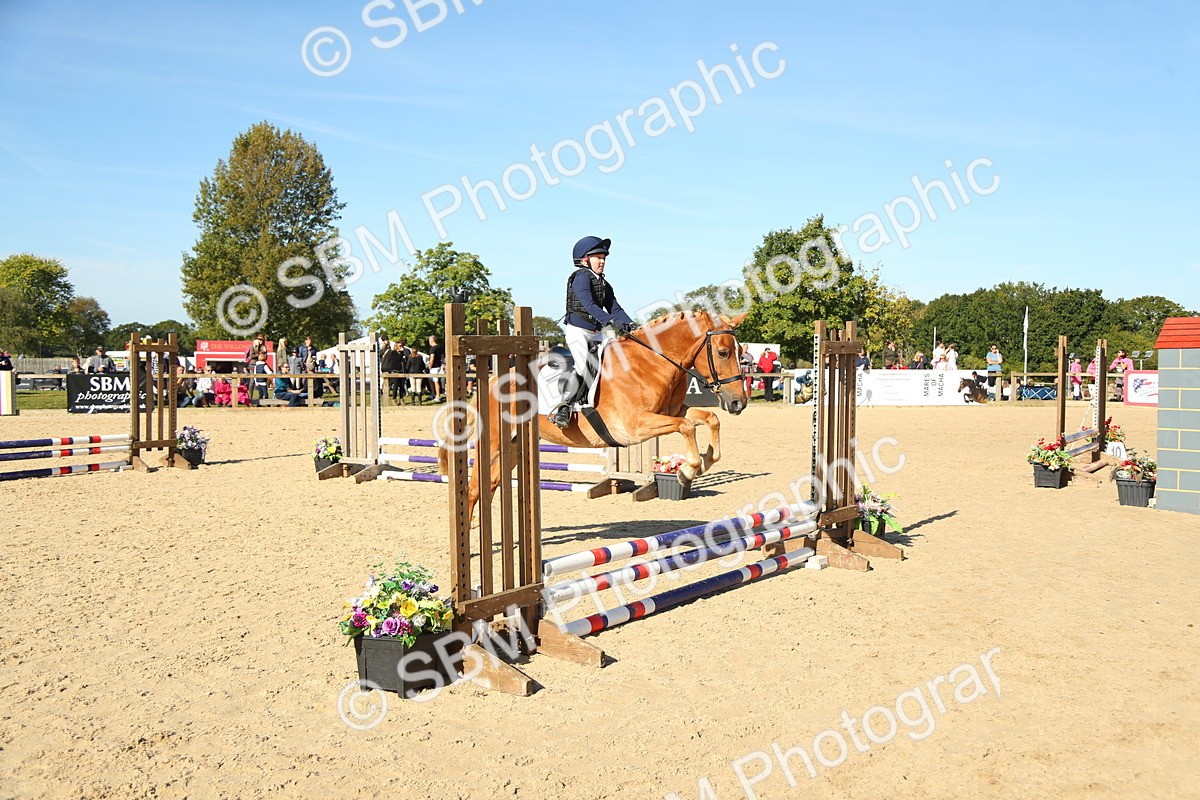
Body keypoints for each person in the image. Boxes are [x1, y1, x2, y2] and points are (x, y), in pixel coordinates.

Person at [551, 236, 635, 429]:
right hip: (578, 332)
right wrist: (611, 321)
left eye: (604, 257)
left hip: (598, 332)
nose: (602, 261)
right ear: (585, 259)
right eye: (598, 257)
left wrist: (631, 324)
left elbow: (615, 308)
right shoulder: (580, 277)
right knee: (584, 366)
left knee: (619, 360)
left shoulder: (604, 284)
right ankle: (564, 408)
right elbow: (588, 306)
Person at [427, 335, 445, 402]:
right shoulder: (439, 348)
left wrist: (430, 366)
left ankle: (438, 396)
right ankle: (433, 393)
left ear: (432, 340)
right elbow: (442, 357)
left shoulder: (433, 348)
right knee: (430, 380)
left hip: (434, 367)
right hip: (439, 366)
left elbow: (432, 358)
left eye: (429, 340)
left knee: (435, 381)